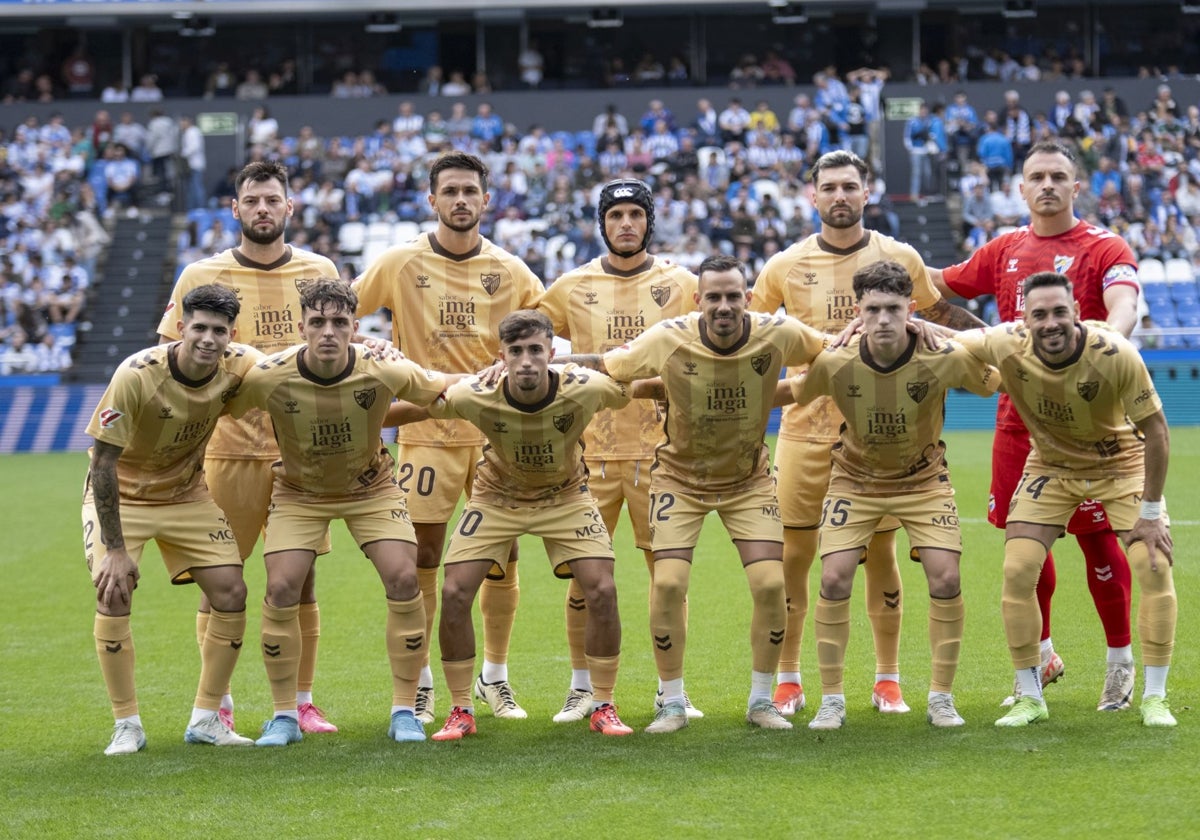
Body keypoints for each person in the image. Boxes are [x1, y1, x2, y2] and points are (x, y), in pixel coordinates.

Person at [750, 150, 985, 720]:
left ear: (867, 191)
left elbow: (938, 318)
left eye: (850, 186)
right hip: (806, 433)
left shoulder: (898, 255)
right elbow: (755, 338)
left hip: (887, 437)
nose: (840, 196)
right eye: (829, 187)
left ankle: (887, 679)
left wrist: (1003, 338)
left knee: (882, 553)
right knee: (796, 557)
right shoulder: (784, 264)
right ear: (812, 196)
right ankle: (788, 678)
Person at [555, 255, 829, 734]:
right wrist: (545, 362)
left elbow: (831, 351)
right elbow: (610, 366)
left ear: (747, 299)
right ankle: (673, 702)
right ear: (698, 300)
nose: (724, 306)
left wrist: (913, 333)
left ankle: (761, 701)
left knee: (771, 585)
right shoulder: (668, 336)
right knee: (667, 585)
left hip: (747, 481)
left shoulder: (779, 333)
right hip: (680, 479)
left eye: (733, 297)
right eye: (714, 298)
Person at [929, 140, 1141, 711]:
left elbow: (1125, 305)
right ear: (1020, 188)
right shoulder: (1004, 249)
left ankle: (1120, 663)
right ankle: (1042, 654)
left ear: (1077, 187)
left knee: (1100, 545)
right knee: (1027, 547)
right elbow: (938, 284)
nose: (1047, 184)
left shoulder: (1104, 246)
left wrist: (1110, 339)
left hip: (1090, 429)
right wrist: (876, 261)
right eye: (1036, 176)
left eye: (1058, 176)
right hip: (1018, 426)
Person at [353, 151, 544, 725]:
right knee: (425, 559)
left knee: (501, 558)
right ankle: (422, 682)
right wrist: (373, 349)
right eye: (450, 191)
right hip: (425, 433)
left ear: (487, 200)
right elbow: (337, 311)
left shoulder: (511, 271)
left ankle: (495, 678)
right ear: (431, 200)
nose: (461, 200)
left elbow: (542, 335)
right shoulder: (398, 262)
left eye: (470, 191)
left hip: (495, 435)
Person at [403, 311, 652, 740]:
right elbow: (421, 400)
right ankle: (461, 707)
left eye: (535, 350)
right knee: (455, 590)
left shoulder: (584, 387)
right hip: (497, 497)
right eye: (515, 352)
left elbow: (635, 383)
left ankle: (603, 702)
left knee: (603, 589)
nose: (526, 361)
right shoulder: (477, 393)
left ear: (551, 354)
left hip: (566, 496)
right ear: (500, 357)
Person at [157, 161, 342, 735]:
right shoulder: (200, 274)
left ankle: (302, 702)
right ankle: (221, 702)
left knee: (301, 579)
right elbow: (170, 364)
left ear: (290, 208)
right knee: (221, 581)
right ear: (234, 210)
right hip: (228, 452)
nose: (263, 209)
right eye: (252, 201)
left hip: (301, 455)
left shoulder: (320, 270)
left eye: (272, 200)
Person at [229, 279, 452, 746]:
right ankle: (284, 716)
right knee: (282, 586)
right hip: (299, 493)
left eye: (338, 323)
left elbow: (440, 391)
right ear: (300, 326)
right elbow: (214, 405)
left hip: (370, 488)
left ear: (355, 326)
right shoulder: (269, 374)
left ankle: (404, 711)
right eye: (317, 322)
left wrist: (497, 379)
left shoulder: (382, 367)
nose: (328, 332)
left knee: (405, 578)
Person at [953, 273, 1176, 729]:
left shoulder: (1116, 354)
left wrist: (1151, 514)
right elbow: (951, 338)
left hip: (1121, 466)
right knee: (1017, 570)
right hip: (1051, 468)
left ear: (1077, 312)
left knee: (1152, 563)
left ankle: (1155, 697)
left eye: (1059, 312)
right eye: (1039, 314)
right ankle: (1030, 696)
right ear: (1025, 320)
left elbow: (1156, 431)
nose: (1050, 323)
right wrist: (912, 326)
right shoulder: (1006, 341)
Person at [784, 260, 999, 731]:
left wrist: (950, 338)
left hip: (923, 481)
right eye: (874, 309)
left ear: (912, 310)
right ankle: (832, 700)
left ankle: (941, 698)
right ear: (858, 312)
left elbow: (993, 379)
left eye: (895, 309)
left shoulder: (942, 355)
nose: (884, 319)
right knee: (835, 578)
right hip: (855, 482)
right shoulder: (836, 359)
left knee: (945, 578)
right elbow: (792, 393)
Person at [537, 179, 700, 723]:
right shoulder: (571, 285)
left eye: (635, 214)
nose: (625, 224)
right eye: (615, 216)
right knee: (586, 579)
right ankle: (582, 688)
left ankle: (670, 690)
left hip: (663, 455)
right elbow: (530, 337)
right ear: (601, 223)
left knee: (668, 579)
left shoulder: (681, 282)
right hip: (590, 456)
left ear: (649, 220)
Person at [85, 284, 261, 755]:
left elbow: (296, 366)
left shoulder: (241, 364)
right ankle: (127, 725)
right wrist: (117, 551)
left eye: (218, 331)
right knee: (114, 589)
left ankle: (207, 718)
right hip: (122, 496)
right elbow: (101, 465)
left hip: (186, 495)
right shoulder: (137, 375)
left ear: (232, 335)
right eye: (199, 328)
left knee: (232, 591)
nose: (208, 339)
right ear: (180, 329)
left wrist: (373, 344)